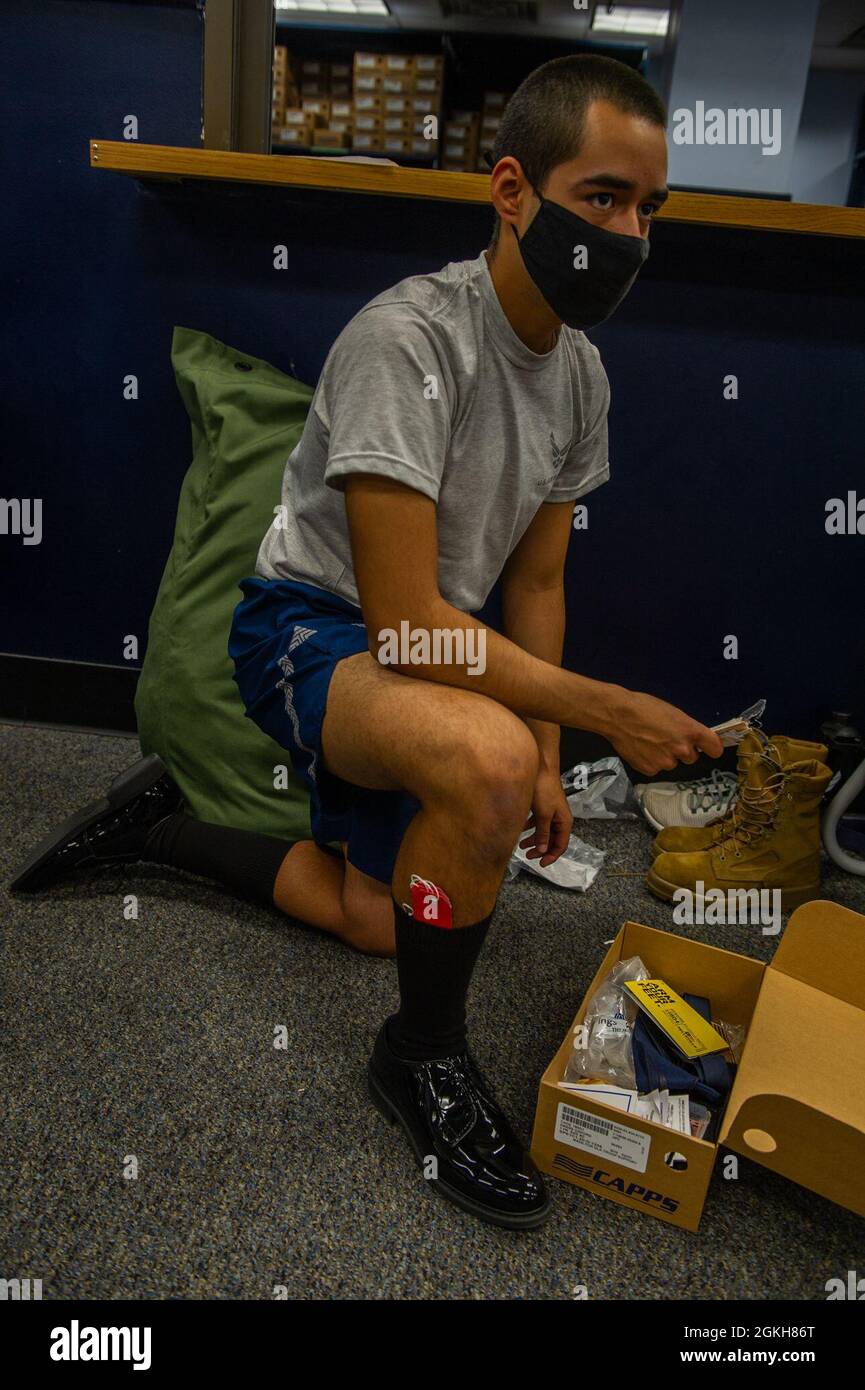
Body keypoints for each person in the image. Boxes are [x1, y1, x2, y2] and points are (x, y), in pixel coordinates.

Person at [11, 55, 723, 1230]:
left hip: (421, 651)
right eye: (600, 198)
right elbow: (399, 623)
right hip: (307, 630)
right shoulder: (409, 339)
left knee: (372, 920)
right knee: (483, 765)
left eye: (650, 209)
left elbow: (536, 581)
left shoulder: (583, 378)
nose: (629, 233)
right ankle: (421, 1059)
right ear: (511, 191)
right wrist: (595, 717)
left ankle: (166, 826)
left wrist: (551, 749)